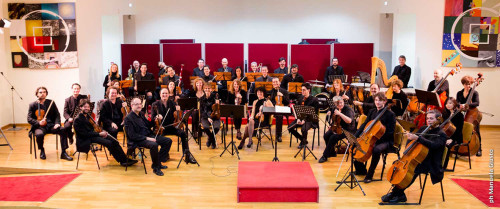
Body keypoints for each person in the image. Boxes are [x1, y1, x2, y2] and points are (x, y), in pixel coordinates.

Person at [381, 110, 446, 203]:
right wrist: (407, 149)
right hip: (418, 157)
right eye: (427, 118)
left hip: (431, 162)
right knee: (399, 165)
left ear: (438, 120)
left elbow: (434, 145)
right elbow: (412, 140)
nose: (429, 120)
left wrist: (418, 138)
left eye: (431, 118)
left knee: (412, 169)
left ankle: (397, 193)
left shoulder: (441, 134)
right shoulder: (424, 128)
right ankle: (397, 193)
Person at [74, 99, 137, 166]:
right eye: (85, 107)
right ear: (80, 107)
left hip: (92, 135)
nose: (87, 108)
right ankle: (122, 161)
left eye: (88, 107)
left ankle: (125, 159)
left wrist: (101, 131)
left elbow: (92, 128)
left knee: (114, 141)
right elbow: (84, 134)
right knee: (109, 143)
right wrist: (99, 134)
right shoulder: (78, 119)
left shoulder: (87, 116)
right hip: (85, 139)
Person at [353, 92, 396, 183]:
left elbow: (390, 132)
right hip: (371, 138)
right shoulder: (372, 111)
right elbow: (365, 124)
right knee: (357, 145)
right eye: (376, 100)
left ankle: (370, 174)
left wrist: (376, 137)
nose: (377, 102)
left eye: (380, 100)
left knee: (376, 150)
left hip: (385, 140)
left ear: (384, 101)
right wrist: (356, 135)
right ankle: (361, 170)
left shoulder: (390, 114)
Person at [124, 97, 173, 176]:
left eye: (140, 104)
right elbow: (132, 135)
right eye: (137, 104)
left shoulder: (141, 114)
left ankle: (157, 162)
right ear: (132, 105)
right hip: (138, 139)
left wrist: (155, 119)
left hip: (148, 135)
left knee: (168, 141)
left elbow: (148, 125)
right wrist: (147, 138)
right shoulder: (128, 118)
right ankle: (156, 168)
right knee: (154, 145)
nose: (139, 106)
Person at [151, 88, 197, 164]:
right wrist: (156, 117)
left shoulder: (172, 103)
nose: (164, 95)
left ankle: (187, 155)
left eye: (166, 93)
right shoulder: (155, 105)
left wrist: (179, 111)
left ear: (169, 95)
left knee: (183, 134)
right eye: (163, 93)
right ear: (160, 95)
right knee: (162, 138)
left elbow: (178, 117)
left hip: (171, 126)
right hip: (161, 128)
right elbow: (152, 118)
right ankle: (164, 153)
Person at [27, 87, 72, 161]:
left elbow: (57, 114)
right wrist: (38, 122)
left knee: (63, 130)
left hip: (51, 125)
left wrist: (57, 123)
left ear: (46, 93)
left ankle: (63, 152)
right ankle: (42, 150)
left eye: (44, 92)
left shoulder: (51, 102)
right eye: (40, 92)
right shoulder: (33, 105)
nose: (42, 94)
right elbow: (29, 119)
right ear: (37, 94)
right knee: (39, 134)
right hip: (39, 127)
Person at [319, 96, 355, 163]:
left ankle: (325, 156)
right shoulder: (334, 109)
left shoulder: (348, 109)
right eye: (338, 104)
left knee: (333, 137)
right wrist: (331, 126)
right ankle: (332, 152)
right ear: (335, 104)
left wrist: (340, 114)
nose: (340, 105)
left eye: (341, 102)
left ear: (343, 101)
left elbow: (349, 121)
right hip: (338, 128)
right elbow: (334, 120)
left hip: (347, 130)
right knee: (326, 135)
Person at [456, 75, 482, 156]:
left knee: (476, 130)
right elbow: (457, 103)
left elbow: (477, 103)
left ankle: (479, 148)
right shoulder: (459, 93)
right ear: (463, 84)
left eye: (470, 84)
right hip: (462, 114)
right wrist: (460, 105)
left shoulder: (474, 92)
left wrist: (467, 104)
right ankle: (459, 146)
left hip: (471, 113)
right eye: (467, 84)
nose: (469, 86)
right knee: (459, 129)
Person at [289, 83, 319, 149]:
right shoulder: (300, 98)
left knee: (304, 129)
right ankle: (303, 140)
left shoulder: (314, 100)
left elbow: (314, 114)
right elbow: (297, 111)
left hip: (310, 120)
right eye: (302, 90)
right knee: (290, 127)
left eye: (304, 90)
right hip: (300, 118)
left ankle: (303, 142)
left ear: (309, 90)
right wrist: (298, 118)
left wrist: (304, 121)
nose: (302, 92)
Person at [441, 97, 464, 170]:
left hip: (456, 137)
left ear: (454, 104)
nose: (448, 105)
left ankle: (443, 166)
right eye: (447, 103)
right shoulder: (445, 113)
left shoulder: (459, 115)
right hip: (446, 136)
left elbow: (459, 130)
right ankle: (436, 164)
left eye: (450, 103)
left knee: (446, 146)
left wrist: (452, 139)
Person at [199, 84, 221, 149]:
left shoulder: (215, 98)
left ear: (211, 90)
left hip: (214, 116)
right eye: (206, 89)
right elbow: (202, 111)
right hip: (205, 117)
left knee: (217, 127)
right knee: (205, 127)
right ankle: (213, 141)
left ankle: (210, 139)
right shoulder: (201, 99)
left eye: (209, 88)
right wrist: (208, 117)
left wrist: (218, 103)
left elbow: (218, 109)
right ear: (204, 90)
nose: (207, 90)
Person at [269, 77, 290, 142]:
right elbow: (269, 101)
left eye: (276, 82)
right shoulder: (271, 92)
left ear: (279, 83)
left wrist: (282, 96)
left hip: (282, 108)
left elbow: (287, 102)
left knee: (279, 116)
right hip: (273, 108)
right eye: (274, 82)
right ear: (272, 84)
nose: (275, 83)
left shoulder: (284, 91)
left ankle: (278, 135)